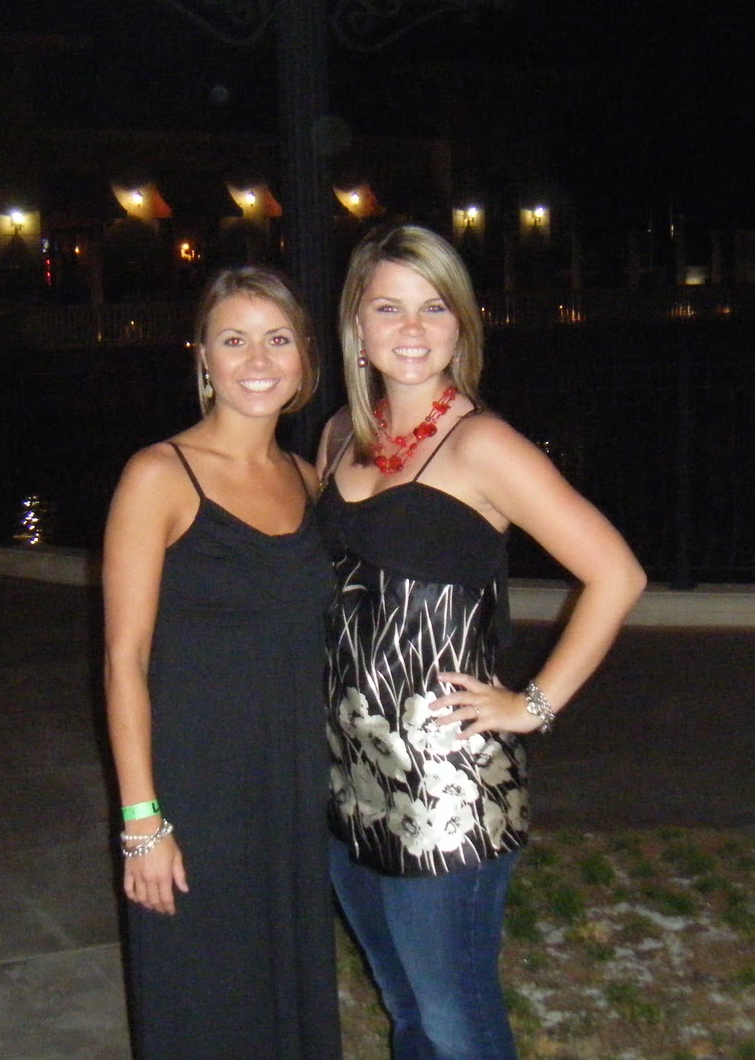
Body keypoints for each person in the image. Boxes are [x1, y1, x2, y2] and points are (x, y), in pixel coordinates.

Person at [317, 224, 648, 1060]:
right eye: (388, 307)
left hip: (445, 786)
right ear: (356, 325)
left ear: (462, 324)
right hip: (347, 776)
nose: (412, 328)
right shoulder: (339, 436)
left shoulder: (482, 444)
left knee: (454, 1016)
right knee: (402, 1003)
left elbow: (617, 574)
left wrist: (533, 705)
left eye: (434, 307)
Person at [103, 264, 342, 1060]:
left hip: (294, 781)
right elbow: (124, 660)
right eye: (233, 341)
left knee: (286, 987)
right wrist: (143, 822)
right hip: (198, 787)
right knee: (206, 994)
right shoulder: (158, 475)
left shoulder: (306, 479)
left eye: (278, 339)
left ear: (305, 357)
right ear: (202, 356)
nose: (258, 360)